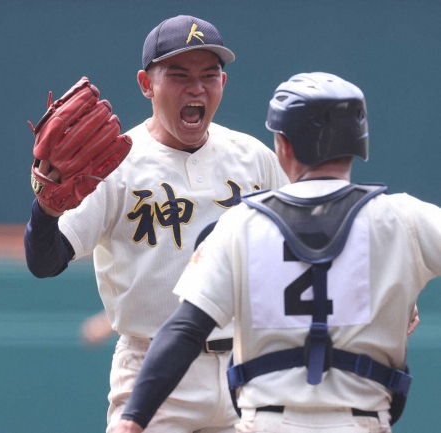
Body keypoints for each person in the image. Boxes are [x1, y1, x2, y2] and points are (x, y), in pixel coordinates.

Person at [114, 72, 433, 433]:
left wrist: (133, 419)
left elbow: (186, 329)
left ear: (283, 144)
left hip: (268, 421)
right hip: (361, 422)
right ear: (359, 142)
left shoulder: (240, 224)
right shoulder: (405, 219)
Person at [24, 15, 290, 433]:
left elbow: (305, 245)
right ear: (146, 84)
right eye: (179, 75)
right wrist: (47, 211)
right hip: (152, 373)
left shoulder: (254, 158)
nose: (196, 87)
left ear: (224, 83)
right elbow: (45, 262)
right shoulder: (113, 166)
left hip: (246, 370)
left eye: (210, 75)